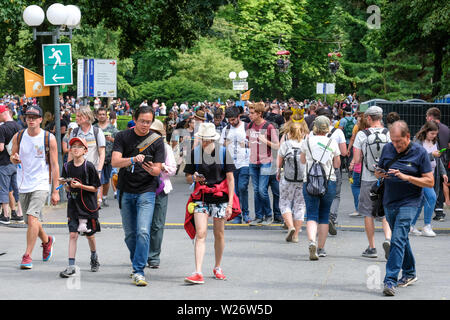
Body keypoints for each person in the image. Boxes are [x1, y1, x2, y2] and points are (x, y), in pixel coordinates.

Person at [376, 121, 434, 296]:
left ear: (408, 137)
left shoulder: (420, 153)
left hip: (410, 201)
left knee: (397, 238)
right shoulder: (387, 149)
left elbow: (429, 181)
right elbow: (380, 169)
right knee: (401, 239)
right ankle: (410, 272)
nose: (395, 145)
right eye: (393, 141)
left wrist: (407, 177)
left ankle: (390, 281)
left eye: (399, 141)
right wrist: (379, 173)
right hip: (389, 200)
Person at [111, 106, 165, 286]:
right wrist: (133, 159)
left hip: (147, 191)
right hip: (126, 190)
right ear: (135, 119)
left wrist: (153, 170)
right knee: (130, 234)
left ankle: (139, 270)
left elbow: (158, 169)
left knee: (143, 231)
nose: (145, 125)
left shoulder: (157, 140)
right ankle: (137, 261)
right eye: (142, 121)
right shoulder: (122, 136)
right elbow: (115, 161)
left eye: (148, 122)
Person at [183, 122, 236, 284]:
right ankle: (198, 271)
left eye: (209, 139)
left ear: (214, 139)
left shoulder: (224, 153)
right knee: (201, 233)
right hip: (201, 197)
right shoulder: (194, 153)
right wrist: (194, 178)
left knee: (219, 233)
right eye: (204, 139)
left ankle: (217, 267)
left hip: (220, 198)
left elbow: (230, 179)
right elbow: (187, 177)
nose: (206, 142)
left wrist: (230, 204)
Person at [9, 105, 60, 269]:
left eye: (34, 117)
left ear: (40, 120)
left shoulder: (48, 138)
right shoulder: (19, 136)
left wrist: (55, 190)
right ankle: (47, 241)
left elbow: (54, 164)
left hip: (41, 182)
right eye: (28, 117)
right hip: (23, 183)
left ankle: (27, 256)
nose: (30, 119)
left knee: (32, 218)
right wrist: (14, 159)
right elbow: (12, 156)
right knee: (30, 221)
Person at [350, 106, 392, 259]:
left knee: (368, 213)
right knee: (386, 212)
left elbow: (356, 159)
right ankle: (388, 239)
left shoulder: (362, 134)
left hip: (368, 179)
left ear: (368, 118)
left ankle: (372, 247)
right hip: (386, 179)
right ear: (381, 117)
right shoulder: (389, 134)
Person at [59, 137, 101, 277]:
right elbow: (67, 188)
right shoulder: (66, 166)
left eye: (79, 146)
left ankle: (94, 257)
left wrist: (80, 186)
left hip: (88, 206)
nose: (76, 148)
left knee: (89, 235)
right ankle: (71, 266)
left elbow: (95, 188)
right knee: (73, 234)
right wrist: (66, 185)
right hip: (73, 206)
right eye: (73, 146)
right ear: (70, 150)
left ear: (85, 150)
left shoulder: (89, 167)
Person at [300, 116, 340, 260]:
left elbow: (303, 160)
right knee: (324, 215)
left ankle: (312, 242)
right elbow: (337, 164)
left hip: (310, 180)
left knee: (311, 214)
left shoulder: (307, 141)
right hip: (328, 181)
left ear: (315, 127)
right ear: (328, 127)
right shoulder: (332, 142)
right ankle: (321, 248)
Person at [147, 120, 176, 269]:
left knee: (157, 224)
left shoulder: (165, 148)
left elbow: (172, 169)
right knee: (142, 224)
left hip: (161, 189)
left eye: (154, 132)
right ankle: (142, 254)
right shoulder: (142, 146)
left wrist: (161, 166)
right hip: (143, 188)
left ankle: (153, 256)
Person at [410, 121, 447, 237]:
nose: (434, 136)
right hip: (420, 176)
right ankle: (426, 226)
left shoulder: (434, 141)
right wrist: (432, 155)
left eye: (435, 134)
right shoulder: (417, 142)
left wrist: (443, 173)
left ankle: (410, 226)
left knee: (421, 201)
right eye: (432, 133)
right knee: (432, 197)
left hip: (432, 175)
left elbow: (438, 160)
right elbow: (416, 158)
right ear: (426, 131)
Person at [277, 112, 309, 242]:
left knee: (284, 202)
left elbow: (279, 162)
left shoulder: (285, 144)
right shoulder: (306, 143)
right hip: (302, 179)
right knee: (300, 205)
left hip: (288, 179)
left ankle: (290, 226)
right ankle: (296, 236)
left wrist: (278, 171)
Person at [247, 102, 280, 226]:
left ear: (260, 113)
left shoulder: (269, 126)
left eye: (252, 113)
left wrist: (265, 140)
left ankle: (269, 215)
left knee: (262, 190)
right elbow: (249, 141)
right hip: (253, 162)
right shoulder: (250, 126)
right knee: (256, 191)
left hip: (266, 162)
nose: (249, 115)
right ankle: (258, 216)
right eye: (249, 112)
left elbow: (277, 146)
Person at [316, 108, 348, 235]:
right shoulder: (338, 133)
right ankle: (331, 217)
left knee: (318, 193)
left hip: (317, 168)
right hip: (334, 167)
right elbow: (344, 152)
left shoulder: (313, 134)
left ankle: (320, 219)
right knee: (335, 195)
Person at [69, 106, 106, 206]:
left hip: (92, 170)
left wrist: (99, 170)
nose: (76, 118)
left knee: (92, 202)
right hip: (77, 171)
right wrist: (68, 169)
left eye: (78, 116)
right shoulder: (75, 132)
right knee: (78, 200)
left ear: (86, 117)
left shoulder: (97, 132)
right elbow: (70, 152)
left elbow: (102, 153)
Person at [220, 107, 250, 224]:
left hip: (245, 162)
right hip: (230, 163)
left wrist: (247, 144)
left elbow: (255, 143)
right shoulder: (226, 129)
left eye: (233, 119)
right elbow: (221, 146)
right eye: (229, 120)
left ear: (239, 117)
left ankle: (246, 213)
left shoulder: (247, 127)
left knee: (243, 187)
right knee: (234, 190)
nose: (231, 122)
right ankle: (236, 214)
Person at [0, 104, 23, 224]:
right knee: (16, 188)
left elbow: (0, 147)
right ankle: (19, 213)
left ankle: (6, 215)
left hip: (4, 162)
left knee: (4, 189)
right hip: (16, 162)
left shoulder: (2, 128)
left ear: (3, 114)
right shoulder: (18, 126)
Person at [425, 107, 449, 221]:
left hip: (434, 162)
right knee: (438, 188)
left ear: (430, 117)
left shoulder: (429, 129)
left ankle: (429, 215)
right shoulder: (447, 129)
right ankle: (439, 211)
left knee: (432, 190)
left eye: (426, 117)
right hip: (442, 160)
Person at [94, 107, 119, 208]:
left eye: (103, 114)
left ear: (106, 115)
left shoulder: (112, 128)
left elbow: (119, 141)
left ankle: (104, 197)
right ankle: (98, 199)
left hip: (108, 158)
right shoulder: (94, 128)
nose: (101, 116)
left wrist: (111, 139)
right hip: (96, 158)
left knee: (106, 180)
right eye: (100, 114)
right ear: (97, 116)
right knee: (97, 179)